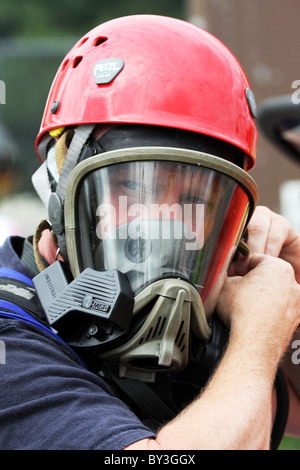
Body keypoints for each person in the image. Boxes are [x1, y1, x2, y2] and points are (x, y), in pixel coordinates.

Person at [0, 14, 300, 451]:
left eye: (195, 201)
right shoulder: (12, 340)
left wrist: (293, 276)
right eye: (130, 187)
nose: (162, 225)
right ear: (59, 187)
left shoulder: (202, 317)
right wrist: (257, 339)